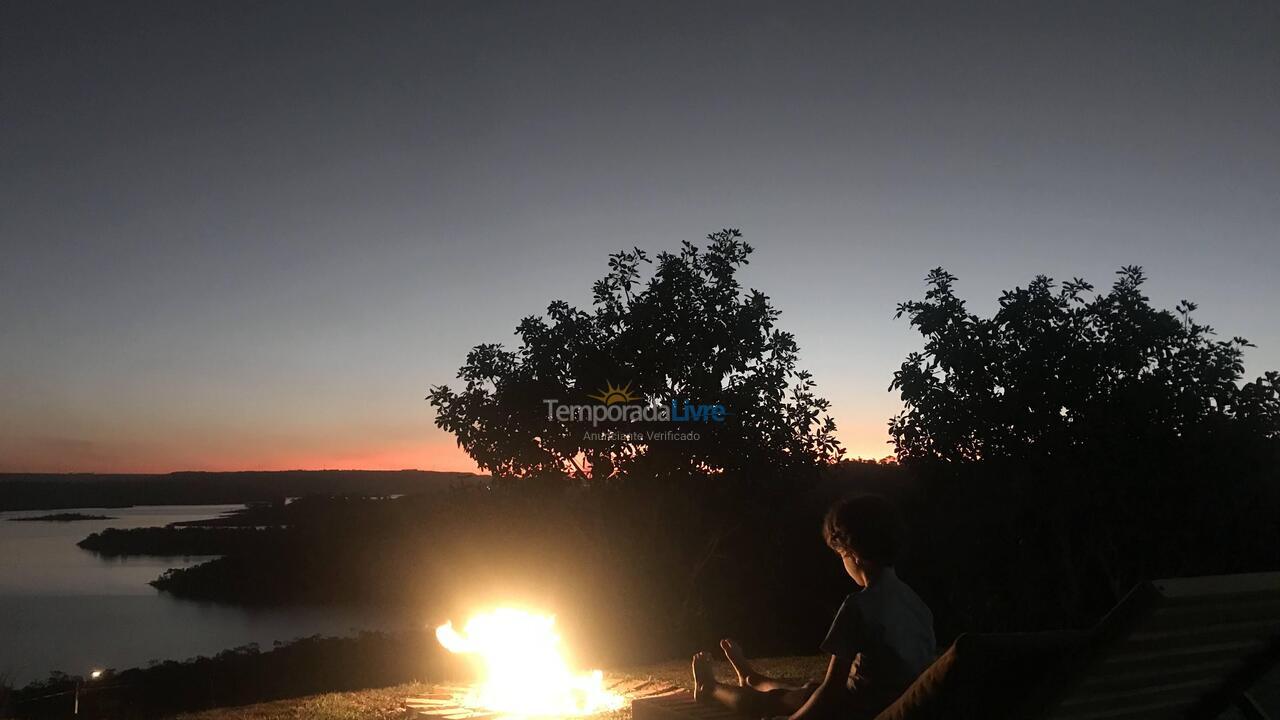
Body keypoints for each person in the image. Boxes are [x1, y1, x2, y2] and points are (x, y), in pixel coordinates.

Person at [691, 495, 936, 720]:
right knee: (807, 690)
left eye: (841, 556)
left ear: (851, 553)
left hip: (852, 710)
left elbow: (832, 690)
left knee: (769, 702)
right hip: (891, 704)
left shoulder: (860, 606)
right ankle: (750, 677)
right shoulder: (918, 605)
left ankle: (711, 688)